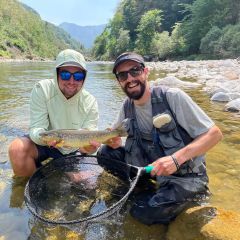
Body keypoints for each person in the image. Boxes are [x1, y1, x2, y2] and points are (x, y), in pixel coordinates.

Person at [98, 52, 223, 225]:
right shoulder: (126, 106)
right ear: (119, 81)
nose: (130, 78)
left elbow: (215, 134)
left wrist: (176, 159)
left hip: (183, 176)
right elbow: (112, 135)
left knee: (141, 213)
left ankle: (188, 195)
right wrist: (109, 141)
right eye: (122, 75)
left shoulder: (172, 97)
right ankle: (145, 188)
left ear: (146, 72)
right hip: (150, 170)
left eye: (135, 71)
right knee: (105, 153)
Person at [8, 49, 99, 177]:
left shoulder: (90, 102)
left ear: (84, 78)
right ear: (56, 74)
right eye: (65, 75)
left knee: (84, 183)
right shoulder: (42, 89)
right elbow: (36, 127)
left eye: (78, 76)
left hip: (75, 149)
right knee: (17, 149)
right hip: (46, 145)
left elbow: (89, 137)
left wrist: (89, 148)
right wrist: (44, 139)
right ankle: (31, 185)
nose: (71, 81)